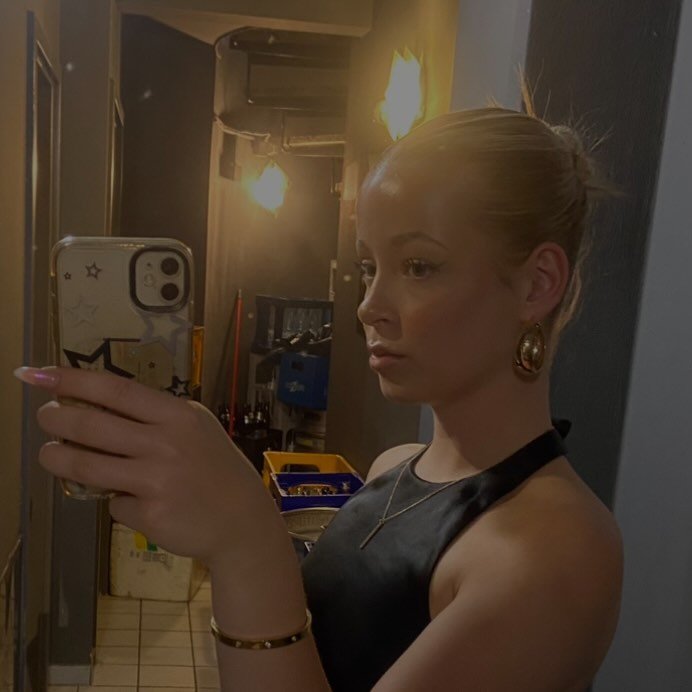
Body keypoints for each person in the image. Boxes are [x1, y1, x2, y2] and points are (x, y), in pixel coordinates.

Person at [14, 96, 623, 691]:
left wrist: (246, 542)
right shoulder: (395, 469)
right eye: (369, 268)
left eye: (418, 266)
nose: (369, 306)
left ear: (537, 284)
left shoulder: (555, 551)